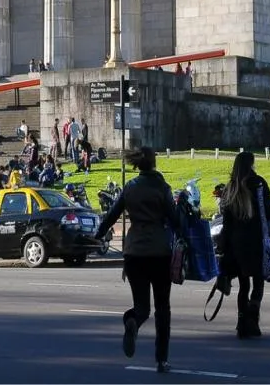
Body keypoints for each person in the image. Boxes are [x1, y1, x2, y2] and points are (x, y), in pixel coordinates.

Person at [94, 147, 179, 373]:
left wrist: (98, 235)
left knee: (142, 307)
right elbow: (175, 219)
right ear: (154, 163)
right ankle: (161, 359)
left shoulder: (130, 188)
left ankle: (133, 320)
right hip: (160, 252)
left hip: (134, 253)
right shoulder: (162, 188)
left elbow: (111, 215)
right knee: (163, 308)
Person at [219, 151, 270, 339]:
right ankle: (253, 316)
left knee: (243, 286)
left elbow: (226, 223)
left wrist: (223, 248)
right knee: (258, 283)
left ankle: (242, 322)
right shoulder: (259, 184)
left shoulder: (230, 188)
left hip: (237, 244)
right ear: (251, 164)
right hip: (256, 241)